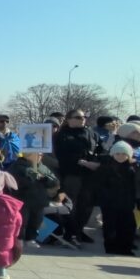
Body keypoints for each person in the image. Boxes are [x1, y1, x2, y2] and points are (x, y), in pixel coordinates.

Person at [54, 109, 102, 243]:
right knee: (72, 203)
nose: (83, 119)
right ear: (69, 119)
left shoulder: (92, 133)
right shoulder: (63, 135)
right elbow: (63, 154)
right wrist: (81, 161)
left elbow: (100, 149)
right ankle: (70, 232)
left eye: (84, 117)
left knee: (87, 204)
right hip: (72, 173)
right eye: (78, 117)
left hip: (90, 173)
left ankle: (79, 230)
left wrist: (97, 162)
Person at [91, 141, 139, 255]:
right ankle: (111, 247)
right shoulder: (105, 167)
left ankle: (125, 248)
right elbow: (98, 185)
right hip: (109, 203)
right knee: (110, 226)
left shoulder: (132, 169)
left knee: (128, 226)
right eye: (118, 154)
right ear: (113, 154)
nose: (121, 156)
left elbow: (135, 186)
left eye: (124, 154)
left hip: (126, 203)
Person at [8, 152, 61, 248]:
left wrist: (46, 180)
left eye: (41, 154)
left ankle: (30, 239)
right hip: (23, 199)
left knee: (36, 221)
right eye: (38, 154)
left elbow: (55, 181)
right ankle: (19, 238)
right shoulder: (18, 166)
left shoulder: (42, 167)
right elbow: (14, 181)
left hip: (38, 201)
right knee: (22, 221)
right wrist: (31, 180)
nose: (40, 156)